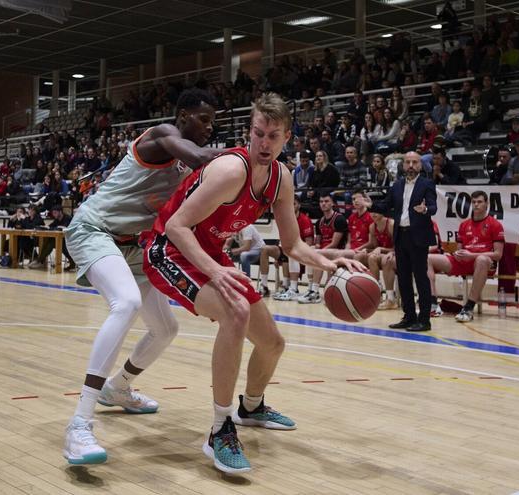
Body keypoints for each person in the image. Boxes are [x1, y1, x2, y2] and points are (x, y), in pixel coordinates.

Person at [141, 92, 364, 474]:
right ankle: (219, 429)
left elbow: (292, 244)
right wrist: (215, 272)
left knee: (273, 343)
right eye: (258, 133)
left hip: (210, 254)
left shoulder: (281, 178)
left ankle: (251, 406)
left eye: (273, 136)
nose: (263, 143)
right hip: (170, 249)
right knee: (236, 311)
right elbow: (177, 226)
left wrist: (330, 263)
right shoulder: (231, 170)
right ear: (250, 130)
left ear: (287, 137)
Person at [62, 89, 221, 465]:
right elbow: (200, 158)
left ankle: (118, 388)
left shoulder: (187, 170)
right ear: (182, 116)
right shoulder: (162, 135)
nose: (209, 127)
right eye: (203, 118)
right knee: (127, 302)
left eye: (213, 121)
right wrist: (253, 155)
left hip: (135, 247)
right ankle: (79, 423)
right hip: (95, 230)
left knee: (166, 329)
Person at [364, 151, 438, 332]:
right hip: (401, 235)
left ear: (420, 165)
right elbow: (386, 206)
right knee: (403, 278)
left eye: (414, 162)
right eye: (408, 162)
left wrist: (425, 209)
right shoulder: (396, 185)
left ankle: (424, 320)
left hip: (418, 237)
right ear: (403, 165)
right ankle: (409, 316)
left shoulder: (427, 184)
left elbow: (434, 207)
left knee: (421, 278)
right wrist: (371, 205)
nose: (411, 165)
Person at [445, 191, 504, 323]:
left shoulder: (495, 224)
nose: (476, 205)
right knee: (429, 259)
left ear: (487, 204)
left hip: (484, 264)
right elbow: (460, 250)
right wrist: (457, 254)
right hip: (465, 262)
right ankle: (432, 304)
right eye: (473, 202)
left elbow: (498, 255)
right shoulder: (464, 224)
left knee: (482, 260)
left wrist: (472, 255)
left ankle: (469, 307)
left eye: (479, 202)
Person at [256, 195, 314, 301]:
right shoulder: (285, 220)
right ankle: (264, 286)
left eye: (294, 204)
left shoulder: (305, 220)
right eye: (290, 204)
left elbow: (309, 243)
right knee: (265, 249)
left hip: (299, 251)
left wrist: (295, 249)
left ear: (299, 206)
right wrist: (276, 257)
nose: (291, 206)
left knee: (291, 252)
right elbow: (282, 239)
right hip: (286, 249)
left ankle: (291, 287)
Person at [299, 192, 348, 304]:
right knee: (309, 251)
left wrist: (318, 251)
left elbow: (335, 243)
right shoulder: (319, 222)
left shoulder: (339, 219)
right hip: (324, 250)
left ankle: (315, 291)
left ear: (333, 203)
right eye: (321, 202)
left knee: (317, 254)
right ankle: (311, 288)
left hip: (337, 251)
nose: (323, 204)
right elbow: (318, 242)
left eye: (326, 201)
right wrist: (313, 248)